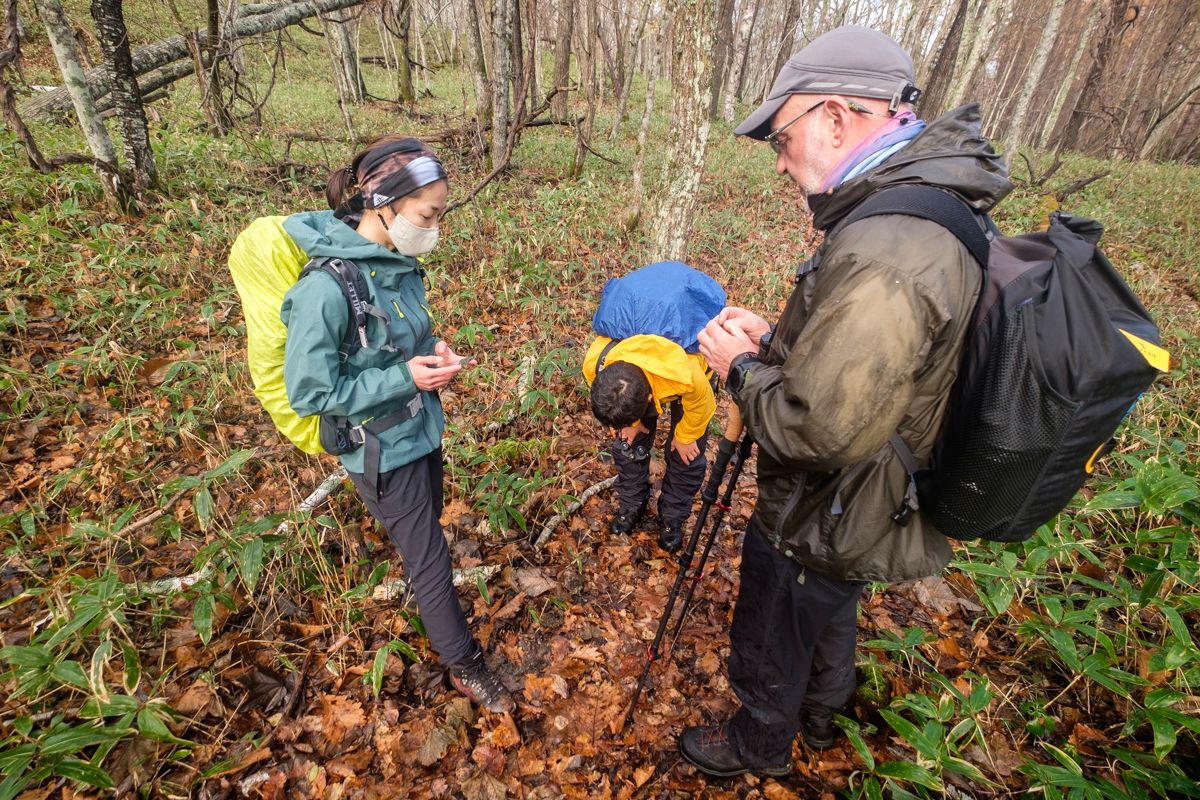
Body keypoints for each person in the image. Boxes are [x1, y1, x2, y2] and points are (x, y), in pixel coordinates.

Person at [682, 25, 1013, 777]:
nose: (779, 160)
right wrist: (778, 342)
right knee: (825, 607)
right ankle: (822, 717)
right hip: (871, 494)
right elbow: (881, 365)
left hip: (830, 500)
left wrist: (739, 368)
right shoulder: (918, 205)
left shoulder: (892, 246)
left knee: (777, 618)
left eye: (782, 137)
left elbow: (819, 427)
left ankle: (758, 746)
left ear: (835, 117)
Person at [271, 136, 512, 713]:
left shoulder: (398, 266)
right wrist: (406, 378)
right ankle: (465, 665)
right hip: (380, 449)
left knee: (425, 537)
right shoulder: (324, 290)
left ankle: (421, 592)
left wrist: (434, 352)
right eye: (427, 215)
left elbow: (402, 339)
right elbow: (310, 393)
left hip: (422, 430)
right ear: (383, 205)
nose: (435, 228)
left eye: (440, 214)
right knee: (431, 559)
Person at [582, 263, 720, 553]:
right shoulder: (597, 362)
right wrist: (631, 425)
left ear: (649, 399)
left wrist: (685, 436)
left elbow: (703, 402)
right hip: (642, 319)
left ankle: (672, 518)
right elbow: (614, 400)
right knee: (628, 444)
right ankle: (632, 505)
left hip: (685, 346)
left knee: (686, 455)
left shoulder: (685, 373)